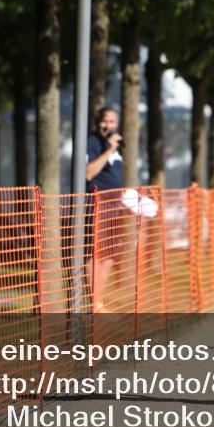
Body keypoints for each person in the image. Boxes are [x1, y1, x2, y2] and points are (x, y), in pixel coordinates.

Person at [86, 106, 124, 312]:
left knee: (110, 254)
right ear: (98, 122)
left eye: (112, 122)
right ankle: (93, 305)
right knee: (96, 254)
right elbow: (89, 173)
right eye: (105, 121)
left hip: (115, 204)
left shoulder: (116, 146)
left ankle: (99, 303)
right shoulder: (92, 143)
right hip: (98, 203)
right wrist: (109, 149)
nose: (108, 126)